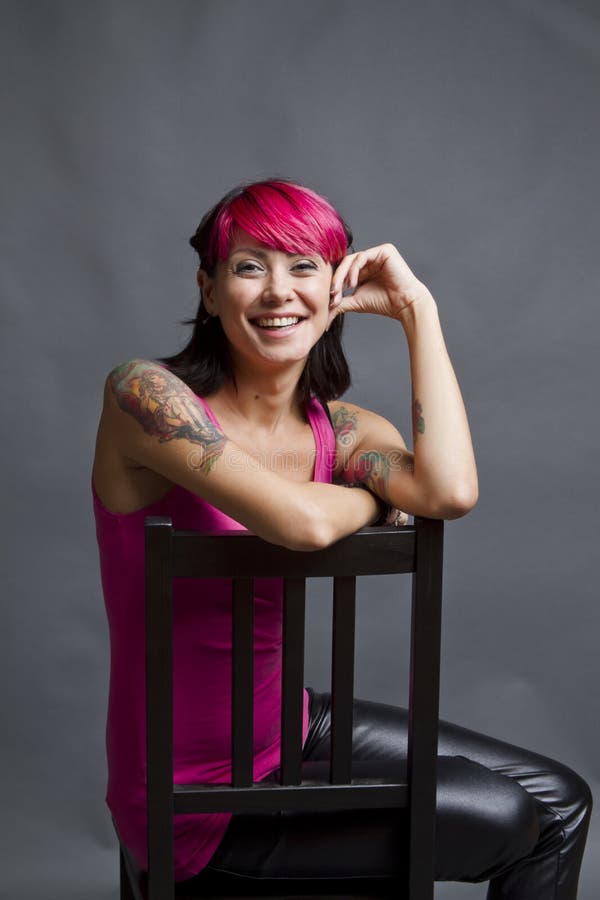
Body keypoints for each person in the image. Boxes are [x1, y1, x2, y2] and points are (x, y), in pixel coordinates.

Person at [92, 178, 591, 897]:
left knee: (562, 800)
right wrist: (365, 498)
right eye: (249, 266)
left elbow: (449, 493)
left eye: (303, 267)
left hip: (286, 727)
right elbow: (302, 522)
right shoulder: (147, 397)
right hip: (189, 791)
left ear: (337, 285)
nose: (278, 292)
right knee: (509, 815)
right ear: (208, 290)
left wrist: (420, 312)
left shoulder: (342, 429)